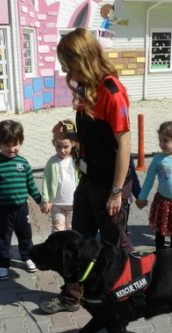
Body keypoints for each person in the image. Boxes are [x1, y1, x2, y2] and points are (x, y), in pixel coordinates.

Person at [40, 27, 134, 314]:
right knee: (77, 241)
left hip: (110, 183)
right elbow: (94, 138)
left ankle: (119, 297)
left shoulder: (112, 92)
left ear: (84, 59)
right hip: (89, 178)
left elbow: (124, 145)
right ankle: (71, 298)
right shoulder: (86, 90)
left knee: (110, 248)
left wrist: (116, 191)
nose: (68, 71)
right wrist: (70, 135)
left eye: (70, 64)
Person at [0, 120, 41, 280]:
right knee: (3, 238)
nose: (11, 149)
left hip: (22, 208)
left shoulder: (23, 163)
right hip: (4, 209)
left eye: (15, 144)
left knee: (26, 235)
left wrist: (40, 201)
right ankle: (2, 264)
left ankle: (27, 257)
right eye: (6, 145)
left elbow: (31, 184)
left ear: (20, 142)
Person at [135, 120, 172, 249]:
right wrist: (142, 197)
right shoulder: (158, 159)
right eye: (160, 140)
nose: (161, 144)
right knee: (160, 230)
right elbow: (149, 180)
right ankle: (159, 254)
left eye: (165, 140)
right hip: (163, 201)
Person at [41, 119, 80, 232]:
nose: (62, 150)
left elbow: (81, 178)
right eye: (58, 147)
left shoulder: (76, 159)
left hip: (74, 203)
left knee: (73, 230)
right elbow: (46, 181)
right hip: (57, 204)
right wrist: (45, 200)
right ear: (54, 143)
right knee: (58, 230)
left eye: (66, 147)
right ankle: (58, 250)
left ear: (72, 143)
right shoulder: (52, 162)